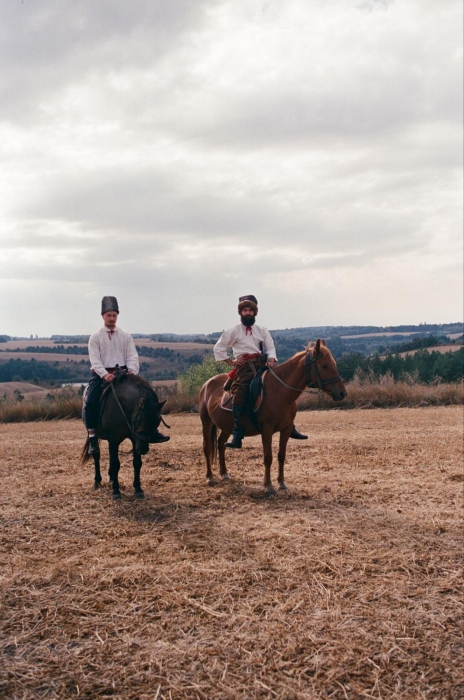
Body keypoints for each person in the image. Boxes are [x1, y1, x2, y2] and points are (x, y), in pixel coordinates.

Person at [214, 295, 307, 449]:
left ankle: (289, 425)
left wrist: (271, 359)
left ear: (255, 312)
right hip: (244, 368)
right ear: (241, 313)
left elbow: (270, 347)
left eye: (250, 310)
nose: (248, 313)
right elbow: (219, 347)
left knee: (280, 389)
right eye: (245, 310)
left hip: (261, 365)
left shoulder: (262, 331)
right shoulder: (233, 331)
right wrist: (231, 361)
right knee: (240, 392)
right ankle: (237, 432)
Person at [84, 296, 169, 454]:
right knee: (91, 401)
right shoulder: (95, 337)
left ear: (117, 316)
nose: (111, 318)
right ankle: (93, 438)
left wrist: (132, 371)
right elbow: (95, 360)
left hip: (123, 375)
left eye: (114, 315)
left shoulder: (125, 336)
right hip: (102, 376)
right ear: (103, 316)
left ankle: (152, 431)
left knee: (148, 397)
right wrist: (104, 374)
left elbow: (132, 356)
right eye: (108, 315)